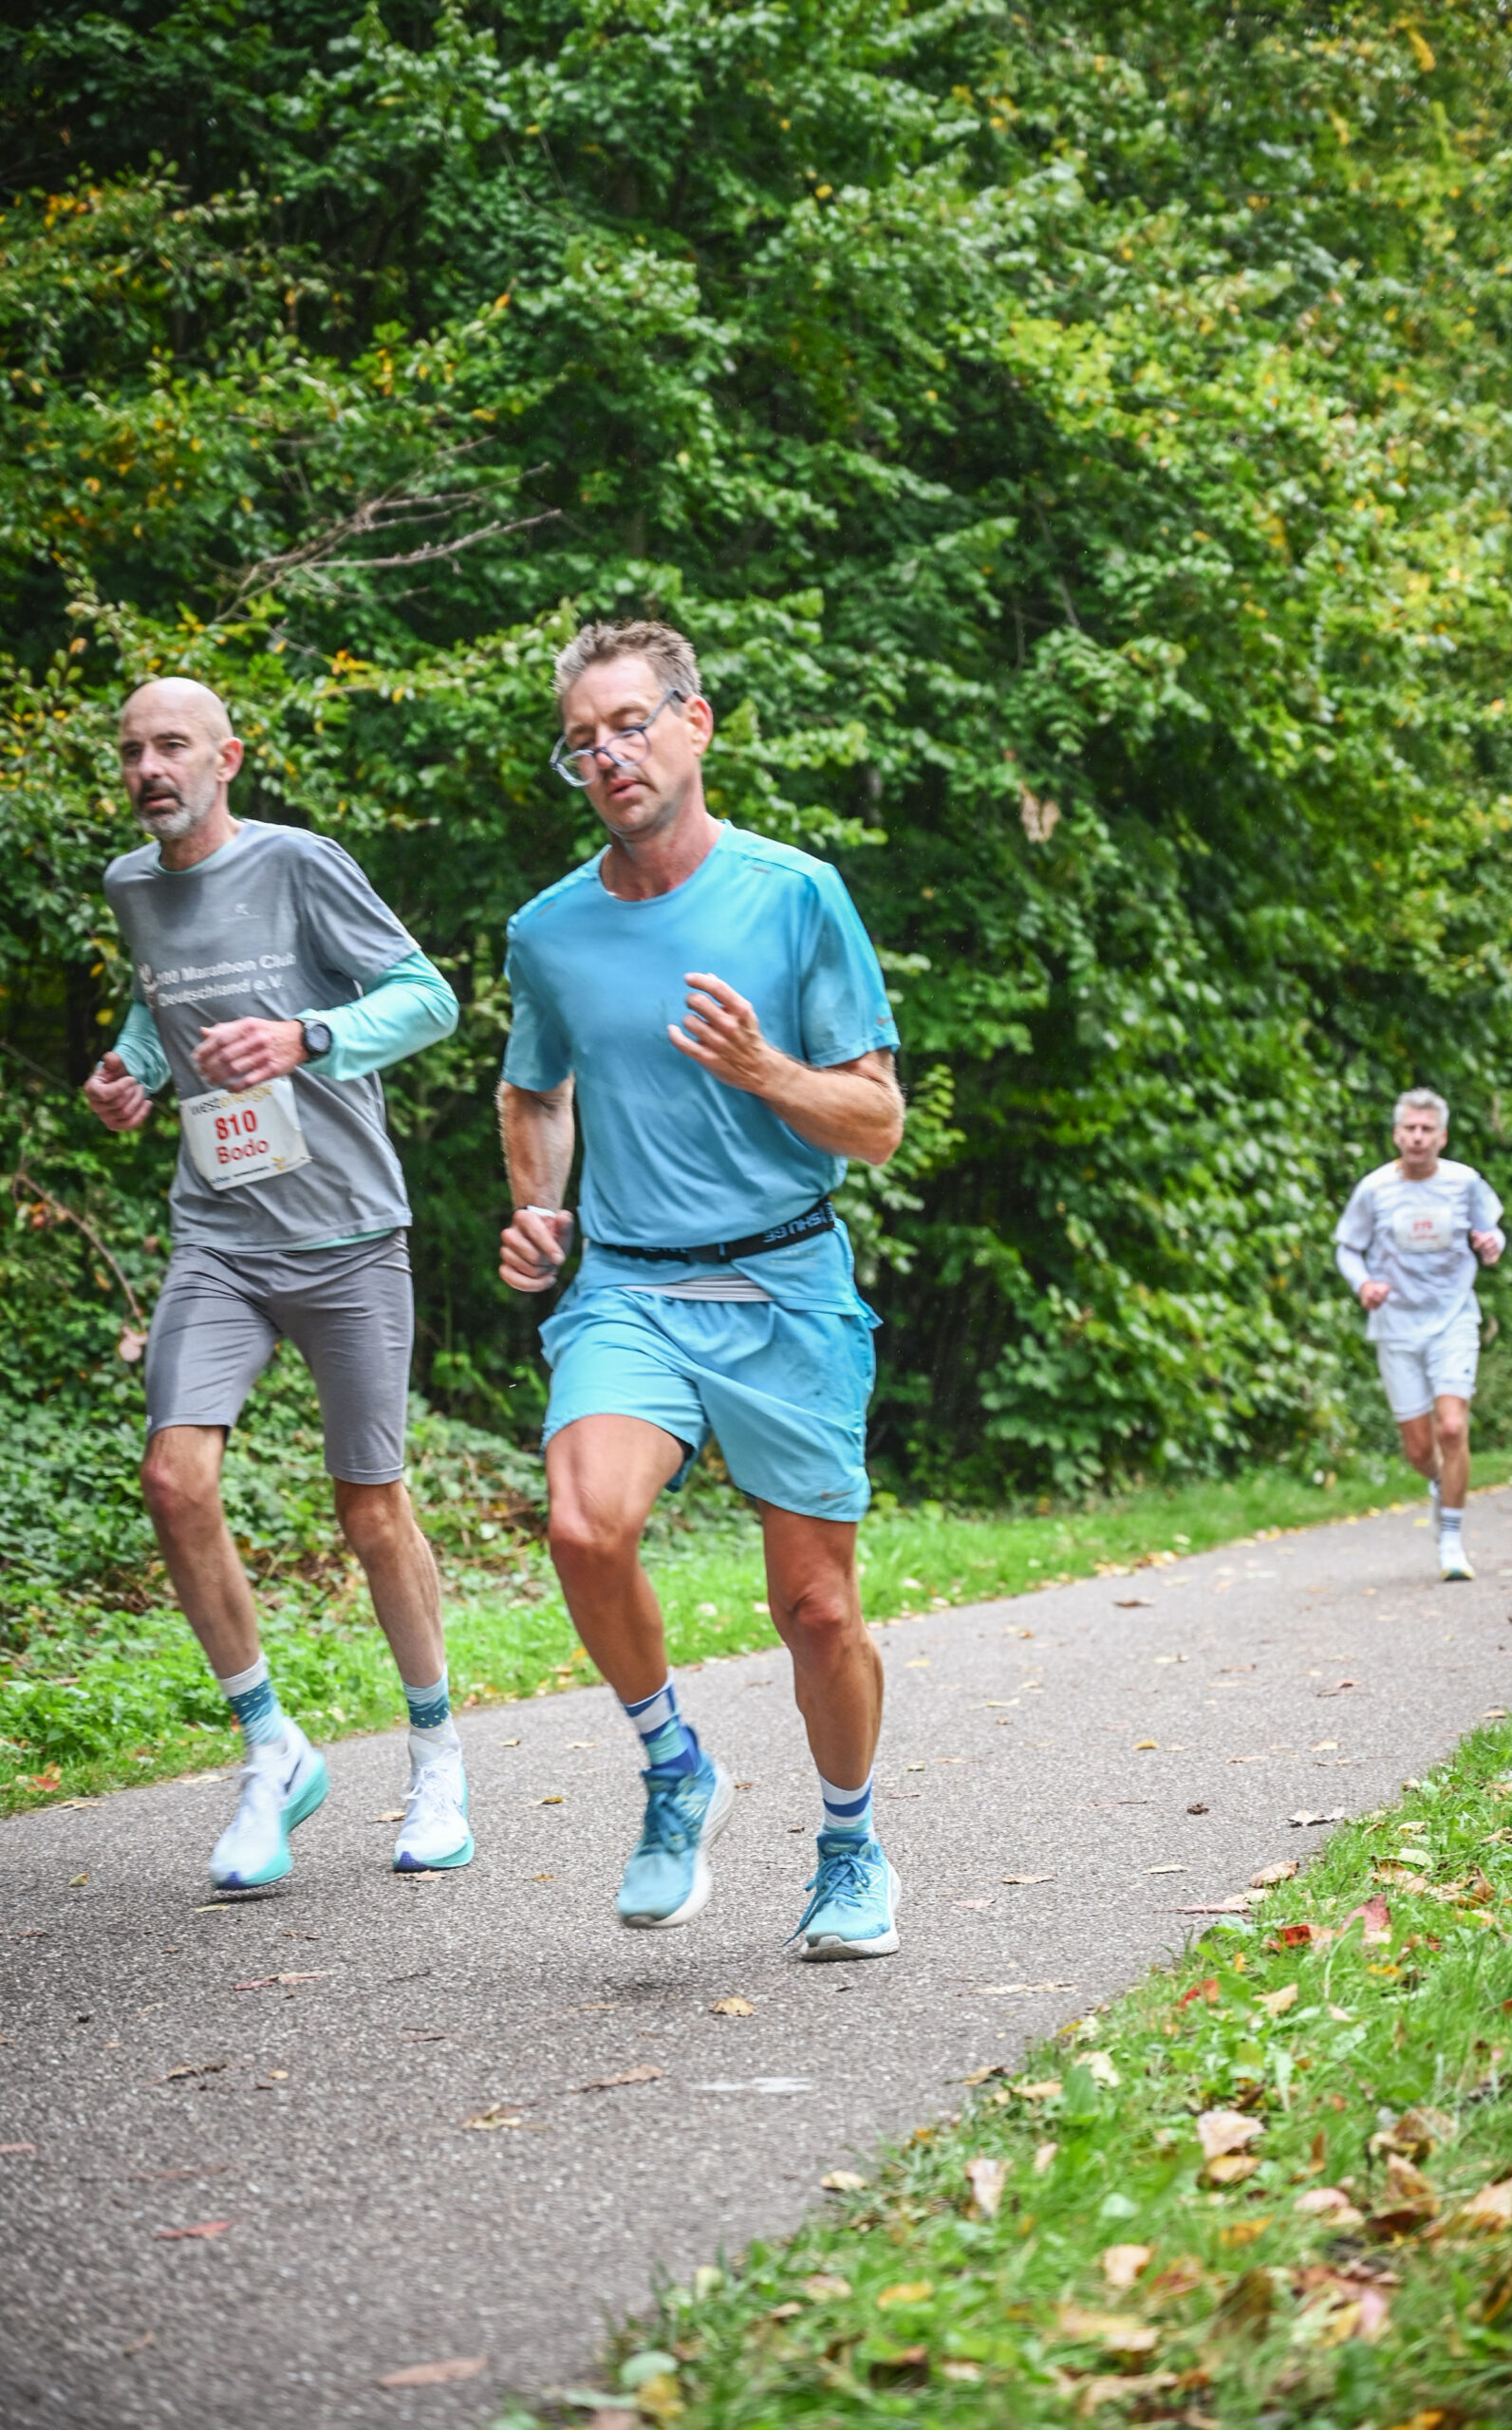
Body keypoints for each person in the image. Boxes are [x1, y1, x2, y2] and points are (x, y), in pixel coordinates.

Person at [497, 620, 906, 1958]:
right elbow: (533, 1088)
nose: (607, 755)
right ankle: (674, 1767)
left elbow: (876, 1121)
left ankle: (848, 1847)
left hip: (784, 1281)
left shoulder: (795, 895)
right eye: (581, 741)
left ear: (694, 722)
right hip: (630, 1286)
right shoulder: (548, 932)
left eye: (628, 724)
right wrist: (538, 1207)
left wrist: (765, 1072)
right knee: (583, 1526)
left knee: (816, 1610)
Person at [84, 677, 469, 1887]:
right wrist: (131, 1071)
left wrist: (305, 1036)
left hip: (348, 1234)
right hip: (220, 1235)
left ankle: (436, 1755)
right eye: (133, 750)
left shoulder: (299, 864)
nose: (150, 768)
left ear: (228, 758)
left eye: (173, 746)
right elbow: (161, 1007)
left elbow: (427, 999)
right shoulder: (131, 886)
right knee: (173, 1478)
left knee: (370, 1509)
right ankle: (271, 1749)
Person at [1334, 1088, 1504, 1581]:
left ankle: (1451, 1539)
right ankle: (1437, 1483)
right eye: (1409, 1128)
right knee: (1418, 1450)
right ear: (1396, 1134)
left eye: (1427, 1129)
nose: (1417, 1137)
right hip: (1396, 1326)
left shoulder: (1464, 1182)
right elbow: (1348, 1248)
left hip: (1453, 1318)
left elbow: (1491, 1232)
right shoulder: (1374, 1189)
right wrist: (1363, 1284)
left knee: (1451, 1427)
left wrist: (1491, 1244)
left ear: (1442, 1137)